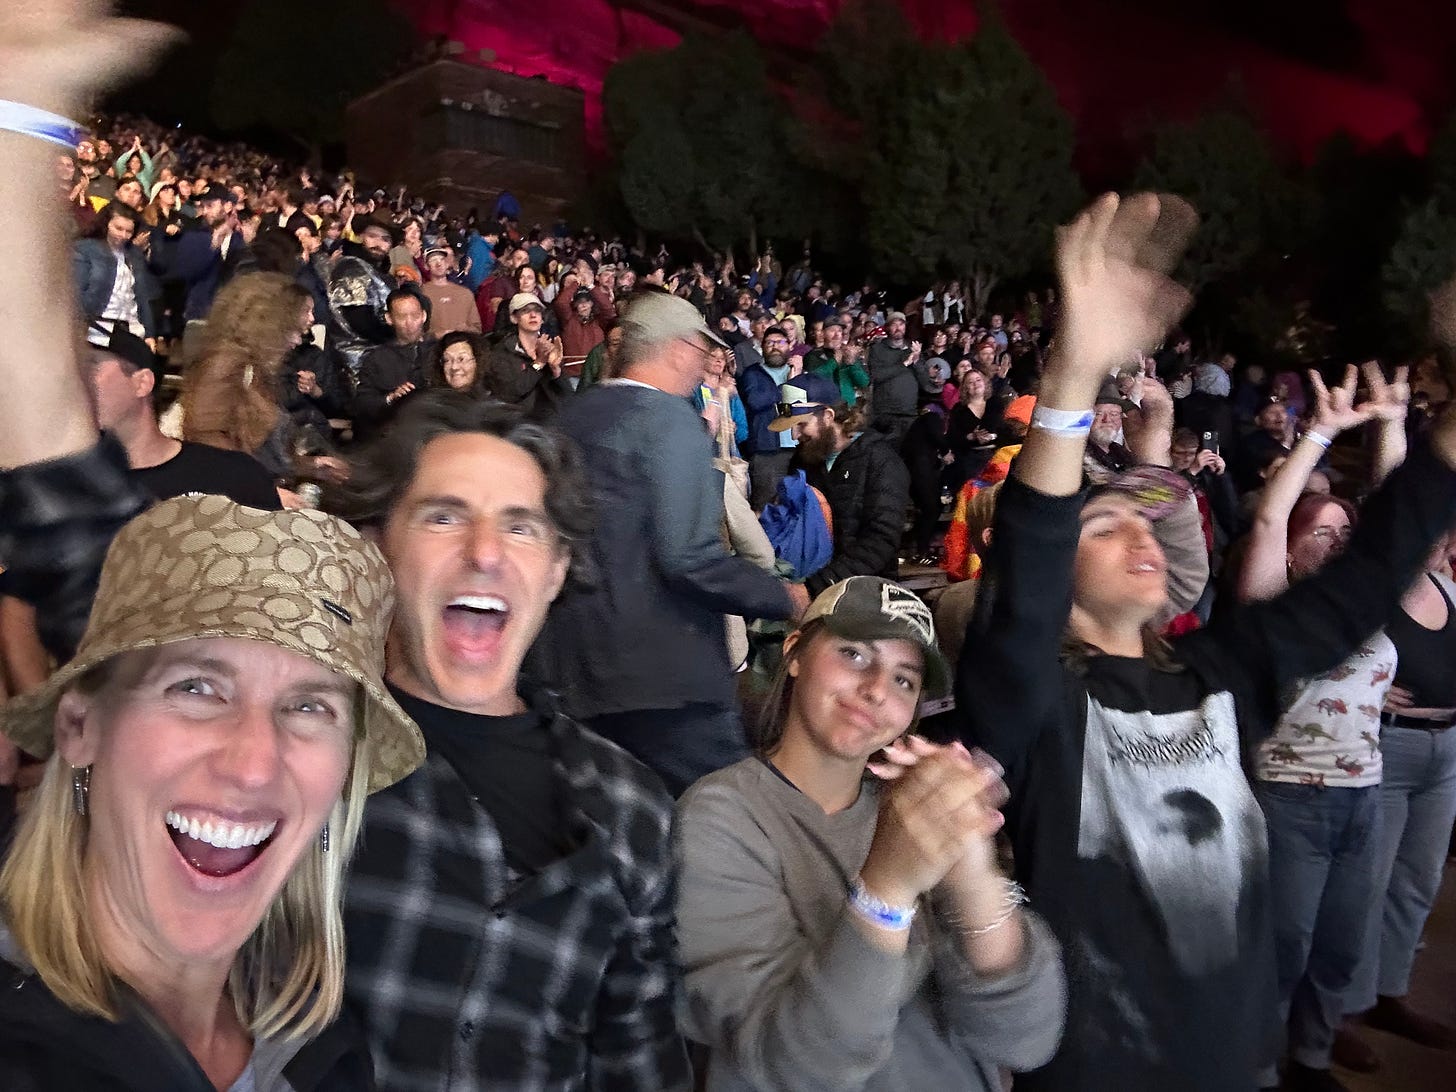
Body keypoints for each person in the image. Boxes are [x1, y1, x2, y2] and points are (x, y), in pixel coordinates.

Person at [0, 17, 426, 1086]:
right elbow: (48, 460)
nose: (252, 760)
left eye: (311, 707)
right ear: (81, 723)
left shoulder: (330, 1052)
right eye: (197, 687)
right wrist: (18, 110)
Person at [956, 192, 1456, 1092]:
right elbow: (1023, 579)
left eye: (1145, 522)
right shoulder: (1029, 704)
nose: (1143, 535)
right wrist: (1073, 373)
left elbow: (1367, 575)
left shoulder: (1220, 672)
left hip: (1239, 1064)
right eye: (1102, 528)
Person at [332, 392, 694, 1089]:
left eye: (522, 528)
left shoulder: (632, 807)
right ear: (379, 548)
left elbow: (639, 1060)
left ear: (557, 571)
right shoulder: (305, 754)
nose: (486, 553)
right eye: (444, 517)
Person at [676, 577, 1066, 1091]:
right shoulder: (720, 815)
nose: (878, 689)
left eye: (904, 680)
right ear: (794, 653)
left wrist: (973, 875)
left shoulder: (913, 814)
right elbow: (798, 1065)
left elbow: (1024, 1039)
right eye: (854, 655)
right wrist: (889, 886)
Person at [543, 293, 808, 794]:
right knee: (724, 817)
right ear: (679, 347)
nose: (707, 362)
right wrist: (781, 597)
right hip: (666, 679)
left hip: (576, 673)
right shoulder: (669, 420)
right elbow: (688, 558)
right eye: (703, 349)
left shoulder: (569, 418)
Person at [1237, 364, 1411, 1092]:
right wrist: (1319, 434)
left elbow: (1403, 515)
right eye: (1324, 532)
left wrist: (1394, 425)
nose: (1336, 543)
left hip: (1363, 793)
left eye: (1347, 532)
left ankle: (1309, 1062)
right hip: (1290, 795)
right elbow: (1272, 517)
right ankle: (1255, 1070)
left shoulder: (1362, 603)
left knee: (1339, 947)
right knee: (1284, 948)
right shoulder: (1273, 603)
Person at [179, 272, 309, 481]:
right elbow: (206, 441)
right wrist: (261, 489)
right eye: (291, 329)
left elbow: (268, 453)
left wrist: (311, 466)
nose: (298, 339)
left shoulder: (257, 369)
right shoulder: (226, 363)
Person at [777, 397, 911, 595]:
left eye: (801, 424)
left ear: (828, 416)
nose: (795, 434)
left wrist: (819, 585)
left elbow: (881, 539)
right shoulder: (804, 460)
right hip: (806, 583)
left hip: (865, 593)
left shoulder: (882, 461)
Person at [350, 286, 436, 441]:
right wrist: (390, 398)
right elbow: (362, 404)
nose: (409, 323)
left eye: (415, 316)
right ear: (389, 318)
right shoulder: (376, 359)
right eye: (402, 317)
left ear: (424, 316)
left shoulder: (439, 351)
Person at [73, 201, 160, 348]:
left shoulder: (134, 254)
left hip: (131, 328)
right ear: (106, 224)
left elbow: (141, 296)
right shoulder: (85, 249)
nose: (123, 235)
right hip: (97, 328)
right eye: (118, 228)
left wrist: (150, 334)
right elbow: (77, 293)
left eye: (129, 231)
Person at [485, 292, 568, 417]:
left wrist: (556, 370)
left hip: (549, 424)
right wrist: (538, 364)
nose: (533, 315)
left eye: (537, 310)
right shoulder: (501, 351)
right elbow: (508, 393)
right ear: (514, 318)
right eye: (525, 310)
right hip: (517, 425)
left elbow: (567, 395)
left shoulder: (549, 349)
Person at [867, 312, 924, 446]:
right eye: (894, 324)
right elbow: (876, 376)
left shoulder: (914, 348)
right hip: (886, 414)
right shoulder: (877, 349)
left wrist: (916, 362)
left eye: (901, 324)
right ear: (887, 328)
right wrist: (904, 364)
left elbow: (925, 383)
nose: (898, 328)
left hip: (910, 413)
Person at [417, 244, 481, 336]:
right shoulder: (420, 293)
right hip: (432, 348)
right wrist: (435, 335)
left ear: (447, 263)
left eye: (442, 259)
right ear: (426, 266)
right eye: (433, 260)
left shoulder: (465, 293)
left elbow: (477, 329)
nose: (438, 263)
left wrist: (465, 329)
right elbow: (415, 332)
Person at [429, 329, 490, 395]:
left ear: (478, 361)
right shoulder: (430, 401)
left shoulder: (495, 401)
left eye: (461, 359)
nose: (454, 367)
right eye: (447, 360)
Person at [559, 286, 604, 359]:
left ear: (592, 304)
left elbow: (607, 308)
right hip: (574, 368)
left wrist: (591, 286)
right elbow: (561, 303)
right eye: (579, 302)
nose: (584, 305)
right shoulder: (569, 320)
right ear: (575, 305)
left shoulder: (600, 320)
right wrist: (575, 283)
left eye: (587, 301)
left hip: (597, 367)